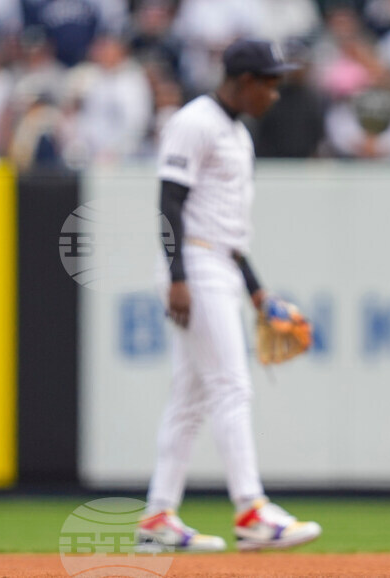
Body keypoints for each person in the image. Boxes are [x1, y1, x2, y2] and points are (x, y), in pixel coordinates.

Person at [137, 39, 322, 552]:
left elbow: (227, 228)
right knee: (231, 387)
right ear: (243, 81)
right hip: (194, 263)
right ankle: (251, 509)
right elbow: (168, 201)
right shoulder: (195, 121)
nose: (275, 94)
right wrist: (177, 275)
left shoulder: (237, 131)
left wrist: (259, 294)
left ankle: (157, 518)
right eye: (269, 83)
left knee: (190, 396)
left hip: (220, 259)